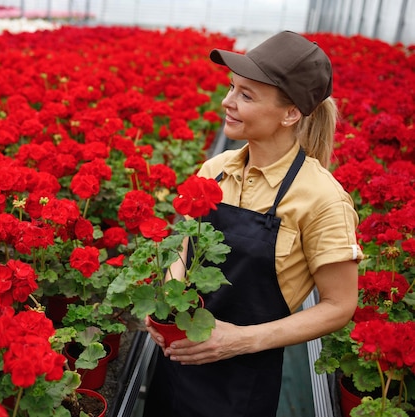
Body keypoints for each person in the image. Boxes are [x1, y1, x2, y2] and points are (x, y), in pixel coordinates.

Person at [143, 31, 364, 417]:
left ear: (290, 113)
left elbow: (339, 305)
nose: (227, 102)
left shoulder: (323, 199)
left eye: (247, 95)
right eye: (232, 88)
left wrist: (238, 341)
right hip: (176, 360)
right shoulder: (215, 170)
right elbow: (185, 242)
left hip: (241, 380)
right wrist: (169, 295)